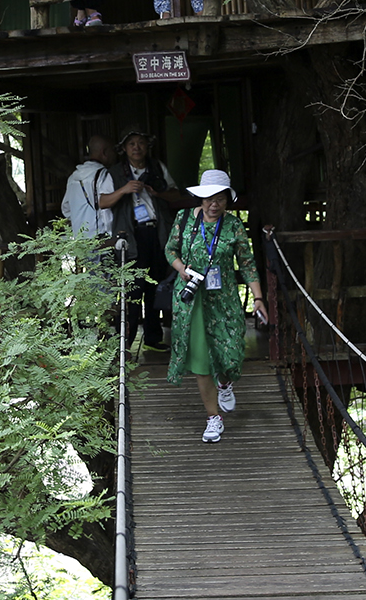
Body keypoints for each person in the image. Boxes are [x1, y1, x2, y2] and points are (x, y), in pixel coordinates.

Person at [164, 170, 267, 444]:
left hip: (223, 298)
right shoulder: (184, 219)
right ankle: (213, 418)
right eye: (209, 198)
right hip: (192, 298)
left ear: (226, 200)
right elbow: (169, 250)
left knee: (231, 350)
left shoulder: (233, 226)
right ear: (201, 197)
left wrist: (258, 298)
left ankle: (225, 382)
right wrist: (181, 268)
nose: (214, 204)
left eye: (220, 199)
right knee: (200, 359)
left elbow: (247, 263)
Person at [99, 129, 186, 349]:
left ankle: (152, 338)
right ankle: (125, 344)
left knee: (155, 284)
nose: (136, 147)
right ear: (124, 149)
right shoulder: (115, 172)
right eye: (131, 144)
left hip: (156, 233)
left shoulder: (157, 168)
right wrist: (125, 189)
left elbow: (176, 194)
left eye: (140, 143)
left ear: (148, 147)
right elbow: (102, 201)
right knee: (132, 288)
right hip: (131, 235)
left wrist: (158, 194)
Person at [60, 134, 115, 243]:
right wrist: (111, 233)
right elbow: (106, 212)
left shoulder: (73, 177)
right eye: (112, 151)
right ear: (104, 152)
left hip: (80, 240)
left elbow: (66, 208)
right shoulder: (103, 175)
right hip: (100, 240)